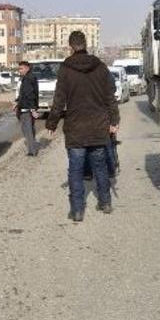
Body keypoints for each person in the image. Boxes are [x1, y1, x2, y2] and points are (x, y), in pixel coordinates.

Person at [46, 31, 119, 222]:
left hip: (76, 128)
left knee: (75, 170)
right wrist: (114, 121)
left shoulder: (65, 69)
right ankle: (105, 202)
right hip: (98, 126)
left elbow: (59, 100)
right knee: (101, 167)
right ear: (86, 44)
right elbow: (110, 97)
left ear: (70, 46)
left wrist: (51, 123)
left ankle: (77, 211)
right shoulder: (100, 67)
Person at [15, 61, 39, 156]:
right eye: (19, 68)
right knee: (29, 129)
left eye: (21, 68)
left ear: (27, 68)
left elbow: (29, 95)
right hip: (25, 107)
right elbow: (23, 94)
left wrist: (33, 109)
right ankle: (32, 148)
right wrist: (17, 102)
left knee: (27, 130)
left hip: (26, 109)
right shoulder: (28, 77)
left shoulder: (28, 79)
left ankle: (32, 151)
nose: (20, 70)